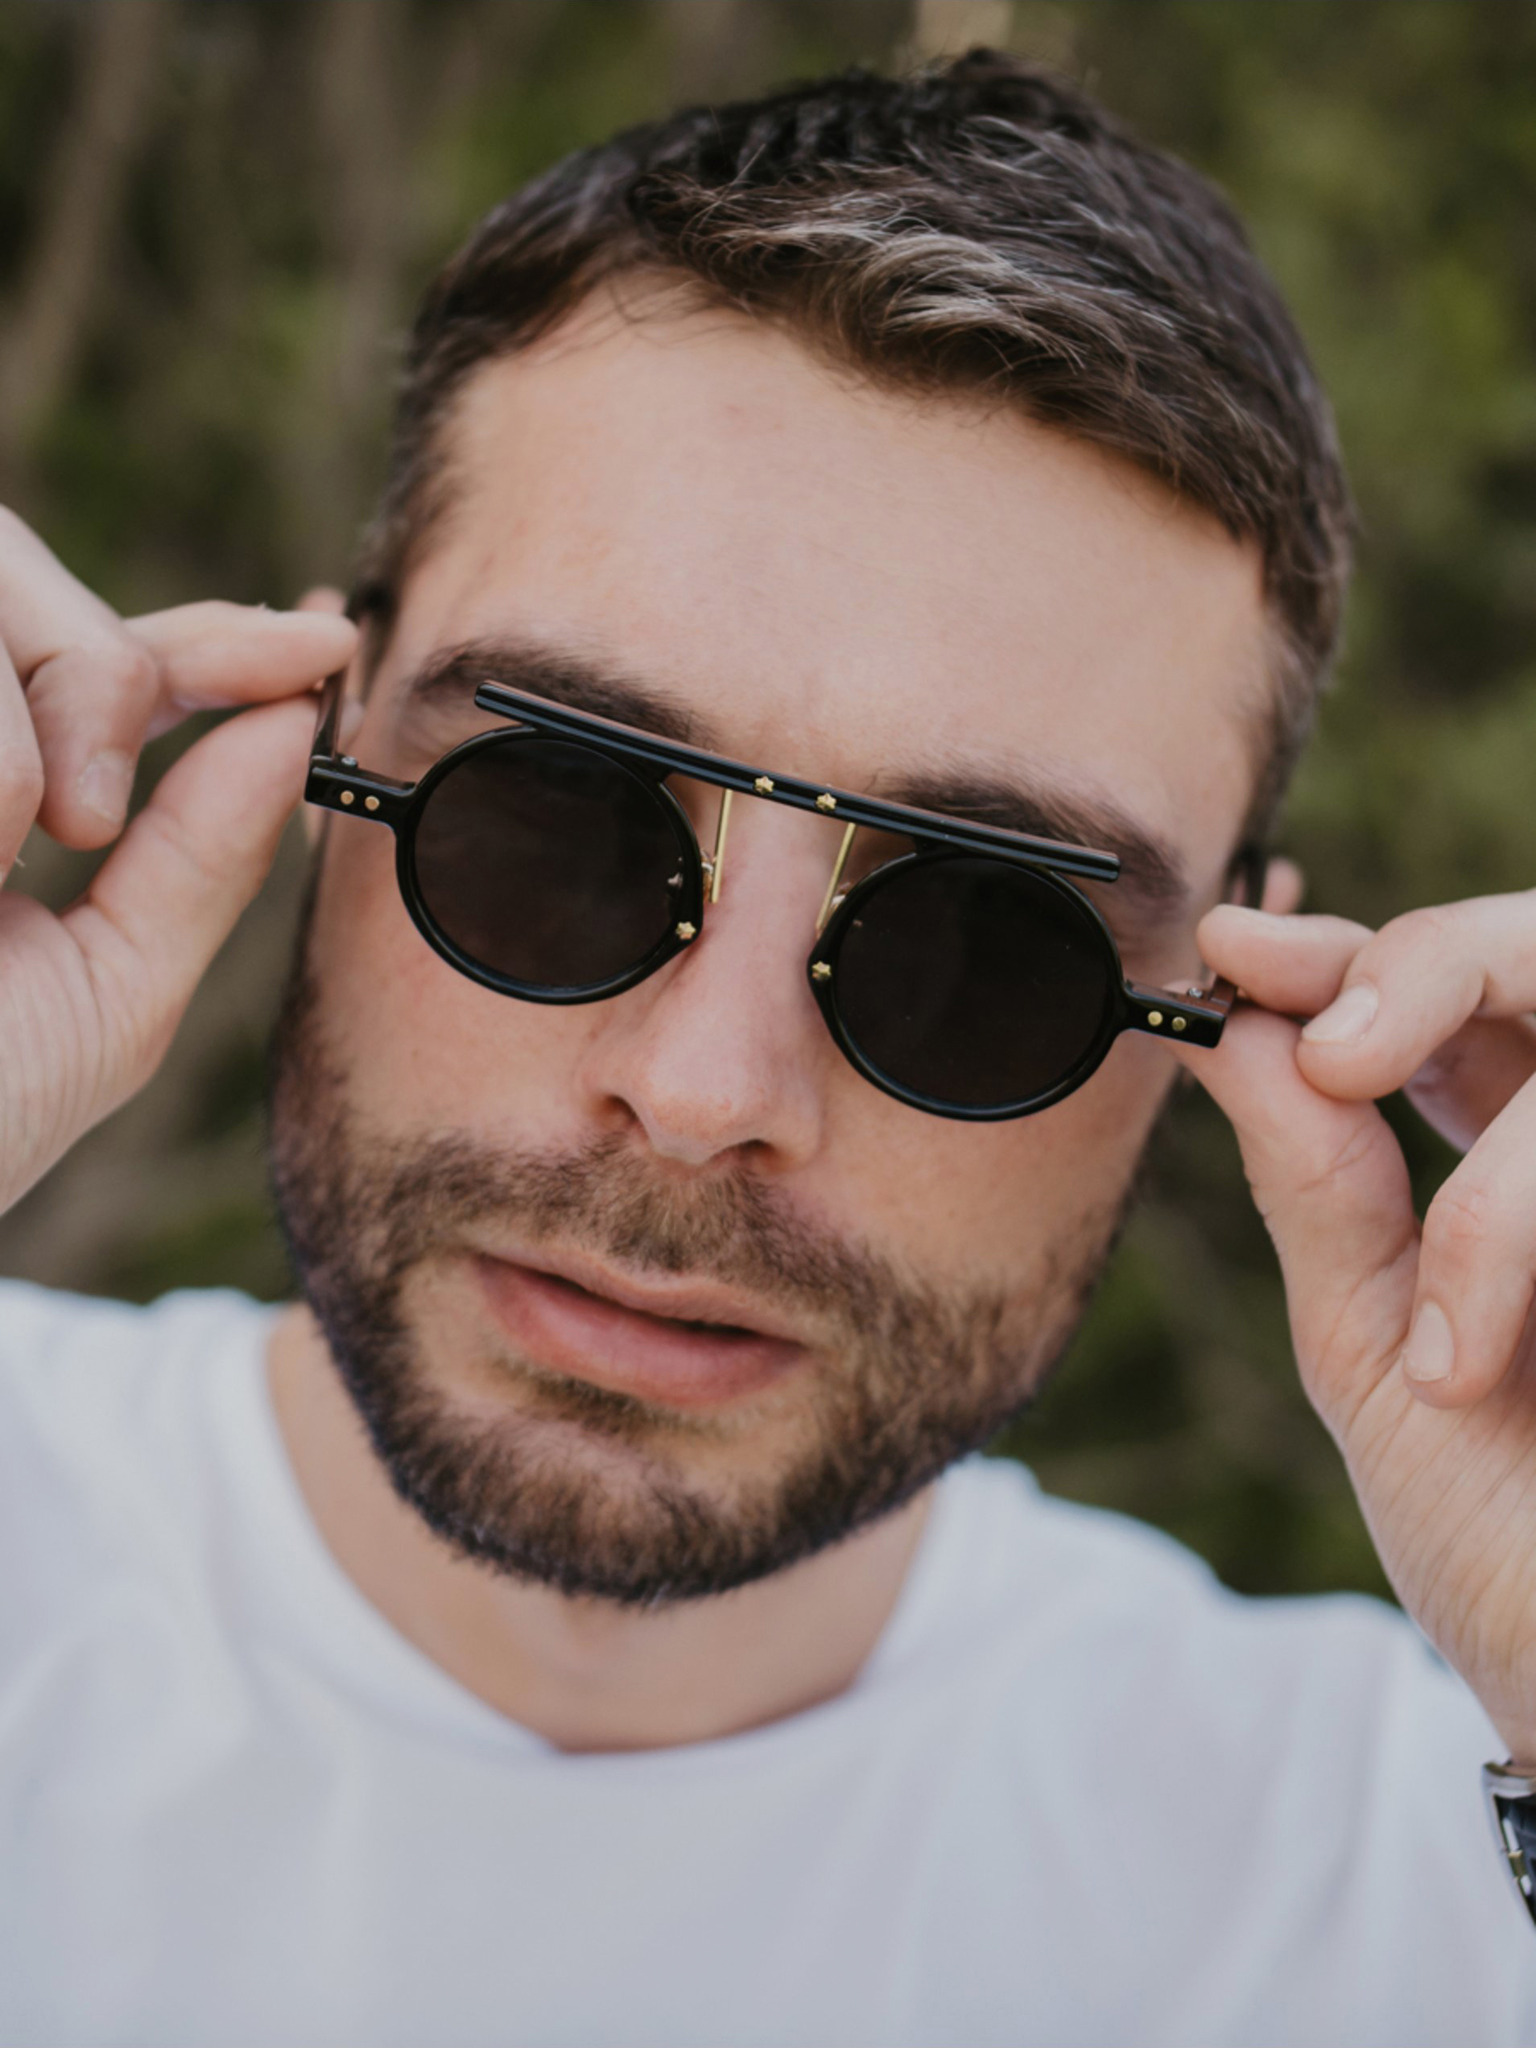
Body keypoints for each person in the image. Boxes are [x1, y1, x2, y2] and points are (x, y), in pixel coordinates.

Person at [1, 48, 1532, 2048]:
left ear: (1234, 1006)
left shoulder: (1402, 1882)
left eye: (984, 944)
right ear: (322, 738)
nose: (707, 1090)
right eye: (557, 825)